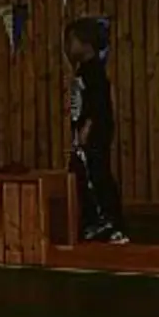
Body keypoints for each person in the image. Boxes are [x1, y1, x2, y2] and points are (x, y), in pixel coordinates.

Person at [65, 18, 129, 243]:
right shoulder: (83, 70)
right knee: (82, 175)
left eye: (73, 41)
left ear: (86, 43)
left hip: (94, 133)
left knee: (97, 174)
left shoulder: (94, 72)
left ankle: (111, 222)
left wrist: (87, 129)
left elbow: (99, 103)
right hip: (84, 132)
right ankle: (93, 220)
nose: (69, 47)